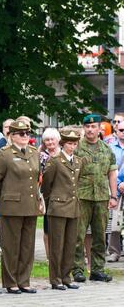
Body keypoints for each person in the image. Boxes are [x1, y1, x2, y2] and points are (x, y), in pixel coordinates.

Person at [0, 119, 41, 294]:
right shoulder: (5, 153)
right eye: (21, 134)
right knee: (11, 246)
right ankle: (11, 282)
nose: (25, 136)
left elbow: (36, 177)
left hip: (30, 205)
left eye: (27, 133)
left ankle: (24, 280)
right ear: (11, 136)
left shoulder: (34, 153)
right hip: (11, 205)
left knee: (27, 246)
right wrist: (6, 195)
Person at [72, 113, 118, 283]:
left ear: (100, 129)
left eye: (93, 126)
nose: (90, 129)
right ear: (84, 128)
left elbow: (112, 174)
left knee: (100, 236)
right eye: (87, 126)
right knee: (78, 235)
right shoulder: (77, 148)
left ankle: (98, 269)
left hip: (101, 198)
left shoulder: (107, 149)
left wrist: (113, 196)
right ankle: (77, 269)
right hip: (81, 197)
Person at [41, 128, 83, 290]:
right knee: (57, 245)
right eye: (69, 144)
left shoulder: (78, 161)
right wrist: (52, 201)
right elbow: (46, 185)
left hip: (73, 207)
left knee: (70, 244)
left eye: (74, 144)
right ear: (63, 144)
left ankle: (66, 276)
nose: (71, 147)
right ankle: (55, 278)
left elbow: (76, 183)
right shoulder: (55, 160)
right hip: (58, 207)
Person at [38, 128, 61, 257]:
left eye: (52, 139)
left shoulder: (63, 154)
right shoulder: (41, 156)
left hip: (62, 194)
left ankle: (59, 254)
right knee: (47, 227)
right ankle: (48, 256)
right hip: (46, 194)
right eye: (47, 140)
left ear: (58, 140)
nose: (50, 142)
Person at [107, 112, 124, 262]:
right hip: (116, 188)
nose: (123, 132)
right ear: (116, 131)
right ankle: (114, 251)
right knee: (115, 221)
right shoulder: (111, 148)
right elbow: (109, 169)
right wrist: (118, 185)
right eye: (121, 130)